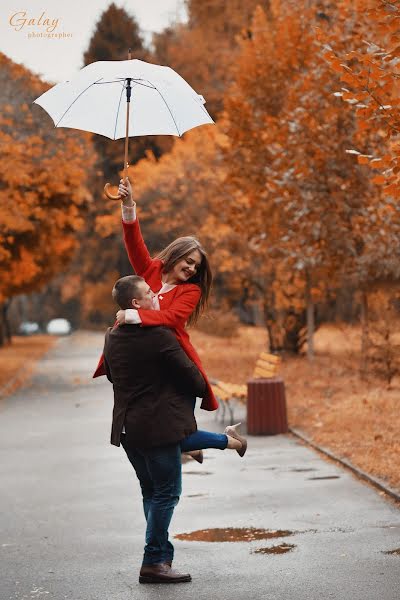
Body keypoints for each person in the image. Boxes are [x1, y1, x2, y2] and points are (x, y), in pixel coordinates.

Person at [93, 177, 246, 452]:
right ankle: (191, 446)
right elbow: (133, 240)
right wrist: (127, 204)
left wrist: (134, 316)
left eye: (196, 267)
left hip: (174, 360)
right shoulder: (151, 269)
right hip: (147, 362)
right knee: (161, 422)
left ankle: (214, 443)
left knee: (176, 427)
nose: (191, 269)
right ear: (177, 254)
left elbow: (173, 319)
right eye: (189, 261)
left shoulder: (190, 291)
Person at [103, 274, 206, 584]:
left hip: (127, 429)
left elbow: (110, 375)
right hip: (157, 427)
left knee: (151, 491)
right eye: (150, 293)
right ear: (137, 303)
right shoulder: (160, 337)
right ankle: (153, 562)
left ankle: (162, 553)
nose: (156, 296)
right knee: (167, 493)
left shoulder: (112, 336)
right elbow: (196, 381)